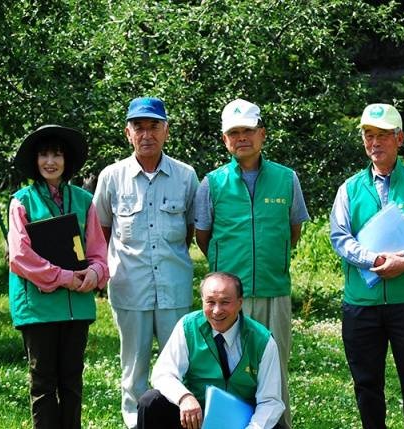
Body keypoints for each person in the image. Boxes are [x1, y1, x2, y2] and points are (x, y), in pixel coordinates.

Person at [194, 98, 309, 428]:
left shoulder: (287, 179)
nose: (241, 138)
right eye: (234, 132)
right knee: (231, 370)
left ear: (262, 134)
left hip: (274, 289)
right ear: (225, 140)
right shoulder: (212, 183)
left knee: (275, 368)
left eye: (248, 130)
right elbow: (203, 236)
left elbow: (293, 230)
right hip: (230, 298)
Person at [329, 103, 404, 429]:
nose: (375, 143)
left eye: (383, 136)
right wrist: (374, 260)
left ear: (400, 138)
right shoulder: (349, 188)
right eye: (369, 135)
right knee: (367, 385)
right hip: (361, 303)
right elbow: (339, 237)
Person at [93, 97, 199, 428]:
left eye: (154, 126)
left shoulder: (186, 176)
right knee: (133, 369)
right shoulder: (112, 177)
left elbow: (191, 230)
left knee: (179, 365)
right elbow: (101, 231)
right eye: (139, 127)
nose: (147, 134)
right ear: (128, 133)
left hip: (174, 288)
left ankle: (173, 423)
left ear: (166, 131)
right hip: (130, 288)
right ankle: (135, 424)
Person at [8, 124, 109, 428]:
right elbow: (20, 256)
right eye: (43, 155)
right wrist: (64, 276)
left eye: (57, 155)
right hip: (38, 309)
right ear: (35, 161)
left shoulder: (83, 200)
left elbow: (98, 250)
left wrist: (95, 272)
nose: (50, 161)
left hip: (76, 306)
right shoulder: (22, 201)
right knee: (43, 383)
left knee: (72, 381)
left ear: (66, 161)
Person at [137, 271, 285, 429]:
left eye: (225, 302)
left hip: (242, 422)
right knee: (151, 401)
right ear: (202, 301)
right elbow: (163, 373)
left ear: (240, 302)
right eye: (210, 302)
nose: (216, 310)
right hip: (194, 417)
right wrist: (184, 397)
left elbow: (270, 401)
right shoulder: (188, 327)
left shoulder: (262, 340)